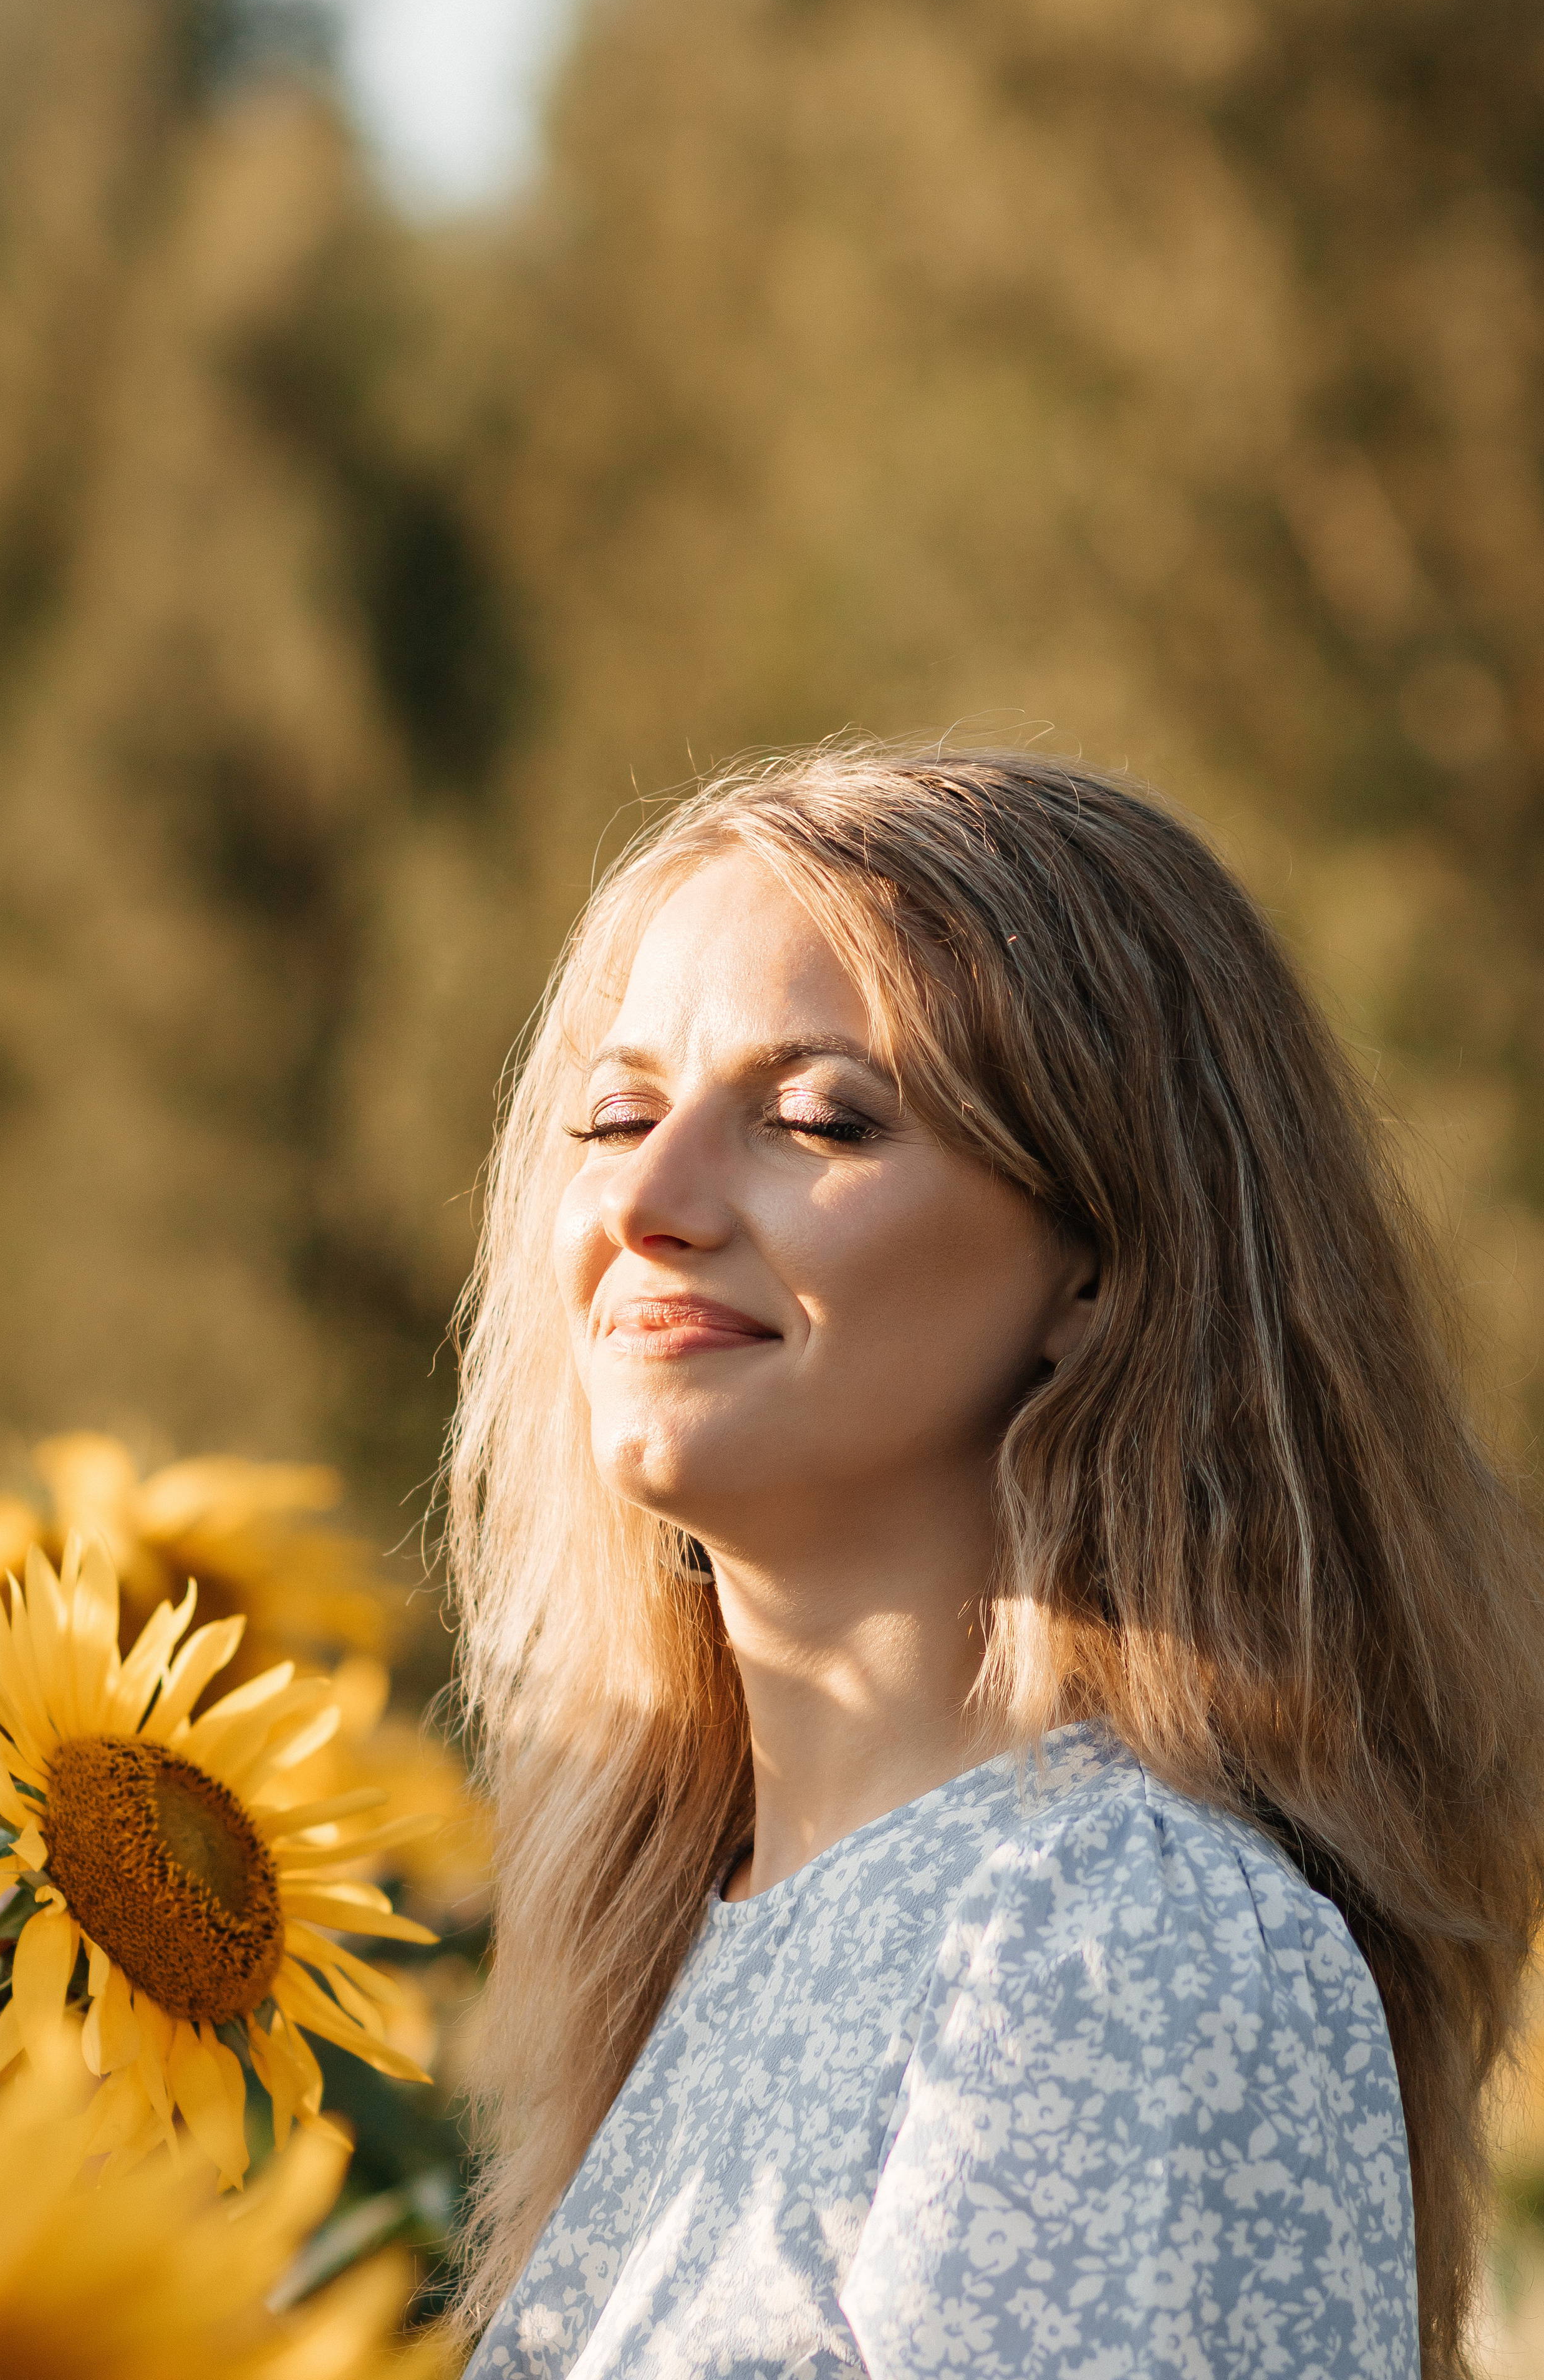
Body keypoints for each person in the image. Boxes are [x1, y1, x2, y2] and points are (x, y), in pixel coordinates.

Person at [448, 747, 1543, 2380]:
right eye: (616, 1115)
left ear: (1100, 1262)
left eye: (817, 1119)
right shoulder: (693, 1943)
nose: (647, 1201)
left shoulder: (1115, 1940)